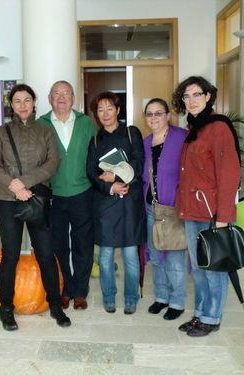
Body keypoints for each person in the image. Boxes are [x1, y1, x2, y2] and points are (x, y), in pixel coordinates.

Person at [0, 83, 71, 330]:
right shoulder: (1, 133)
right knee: (10, 256)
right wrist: (14, 187)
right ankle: (6, 308)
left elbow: (53, 162)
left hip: (37, 200)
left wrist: (23, 183)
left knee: (46, 254)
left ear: (34, 103)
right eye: (17, 101)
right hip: (6, 200)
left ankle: (55, 304)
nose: (22, 105)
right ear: (11, 105)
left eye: (27, 100)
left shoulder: (45, 131)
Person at [173, 76, 240, 337]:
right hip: (192, 212)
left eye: (196, 95)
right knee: (199, 269)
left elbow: (229, 175)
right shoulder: (195, 128)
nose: (191, 101)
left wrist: (224, 217)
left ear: (208, 96)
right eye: (186, 96)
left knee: (214, 270)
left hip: (213, 215)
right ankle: (200, 314)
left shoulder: (218, 127)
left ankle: (212, 317)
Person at [38, 80, 96, 310]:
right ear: (49, 97)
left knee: (83, 244)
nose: (61, 97)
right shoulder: (40, 124)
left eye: (66, 93)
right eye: (56, 93)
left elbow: (95, 158)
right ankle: (65, 288)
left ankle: (80, 291)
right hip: (54, 196)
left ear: (74, 98)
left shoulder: (87, 123)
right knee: (58, 245)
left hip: (83, 193)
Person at [86, 91, 146, 315]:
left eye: (109, 108)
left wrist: (117, 178)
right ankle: (109, 297)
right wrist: (110, 186)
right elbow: (91, 172)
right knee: (105, 256)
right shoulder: (95, 140)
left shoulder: (131, 133)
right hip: (105, 204)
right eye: (100, 110)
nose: (105, 113)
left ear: (118, 110)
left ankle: (131, 298)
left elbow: (139, 163)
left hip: (129, 203)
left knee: (130, 256)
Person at [141, 98, 188, 320]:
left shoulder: (181, 138)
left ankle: (177, 301)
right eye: (149, 114)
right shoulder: (145, 143)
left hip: (173, 210)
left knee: (175, 258)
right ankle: (161, 297)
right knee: (157, 256)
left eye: (158, 113)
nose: (154, 118)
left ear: (168, 115)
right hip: (151, 209)